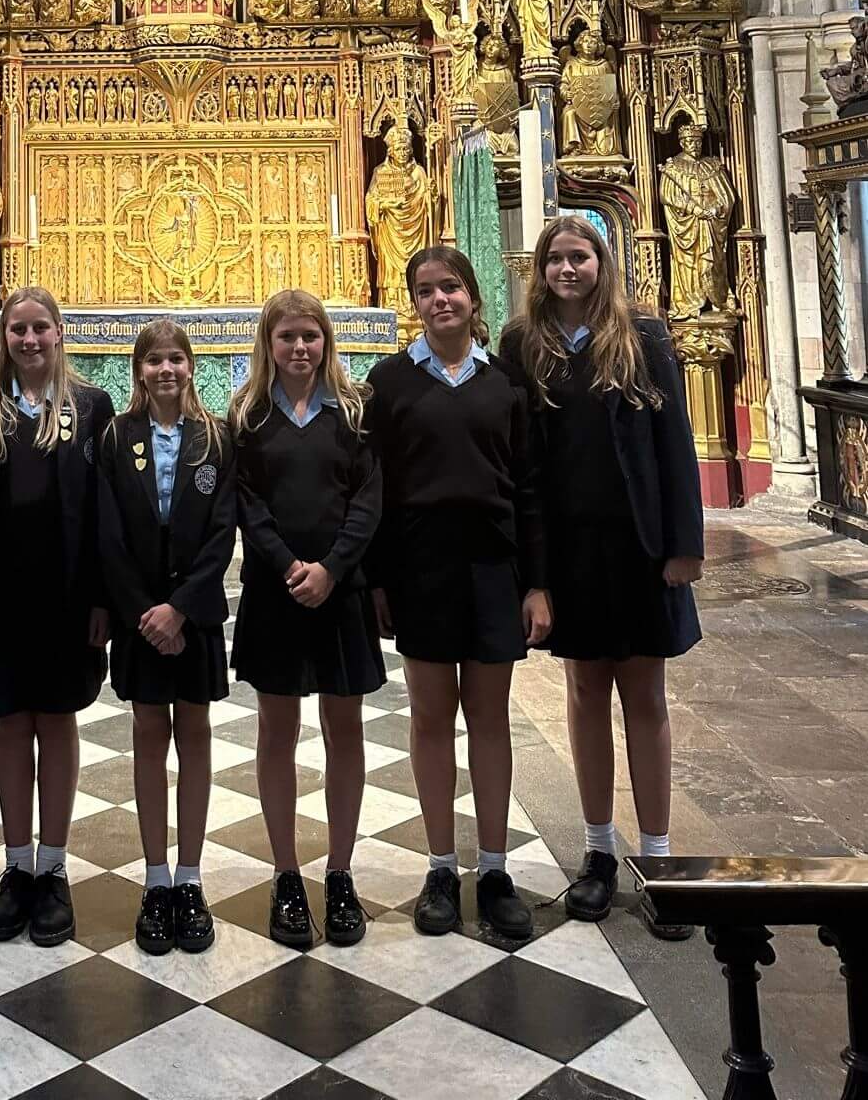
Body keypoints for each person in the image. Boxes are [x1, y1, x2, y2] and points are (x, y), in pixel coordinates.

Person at [499, 218, 704, 940]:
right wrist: (534, 573)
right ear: (539, 270)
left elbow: (675, 441)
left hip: (641, 546)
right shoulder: (525, 345)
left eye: (577, 255)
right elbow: (521, 461)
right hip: (572, 551)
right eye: (554, 258)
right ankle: (597, 852)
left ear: (601, 261)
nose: (565, 268)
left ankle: (659, 860)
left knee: (644, 694)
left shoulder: (642, 336)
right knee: (585, 692)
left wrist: (685, 544)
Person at [364, 245, 549, 944]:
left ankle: (495, 867)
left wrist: (538, 584)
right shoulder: (389, 382)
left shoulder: (505, 382)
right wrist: (379, 579)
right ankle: (442, 866)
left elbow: (528, 487)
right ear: (414, 303)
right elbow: (377, 487)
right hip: (421, 570)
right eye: (425, 291)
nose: (439, 300)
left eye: (451, 288)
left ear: (473, 297)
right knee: (432, 718)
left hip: (494, 568)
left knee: (491, 719)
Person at [0, 287, 110, 947]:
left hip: (66, 594)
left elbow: (102, 511)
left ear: (60, 333)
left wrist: (103, 597)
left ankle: (55, 867)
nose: (31, 340)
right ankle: (17, 866)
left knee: (57, 720)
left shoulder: (89, 406)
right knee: (11, 723)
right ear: (3, 337)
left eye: (42, 328)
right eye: (19, 329)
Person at [231, 289, 382, 950]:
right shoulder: (249, 416)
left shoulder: (354, 413)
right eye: (286, 337)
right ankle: (287, 873)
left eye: (310, 337)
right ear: (268, 344)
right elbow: (247, 501)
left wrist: (333, 567)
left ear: (327, 342)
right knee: (277, 729)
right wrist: (290, 565)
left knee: (343, 727)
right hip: (275, 590)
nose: (298, 348)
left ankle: (341, 871)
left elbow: (368, 499)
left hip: (340, 590)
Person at [97, 320, 236, 957]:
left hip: (195, 616)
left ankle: (190, 877)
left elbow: (222, 532)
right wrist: (144, 612)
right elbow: (109, 534)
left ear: (191, 366)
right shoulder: (116, 436)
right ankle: (155, 879)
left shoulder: (214, 438)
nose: (166, 370)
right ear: (139, 370)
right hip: (138, 620)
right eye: (154, 360)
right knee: (150, 737)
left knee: (196, 738)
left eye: (176, 358)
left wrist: (179, 610)